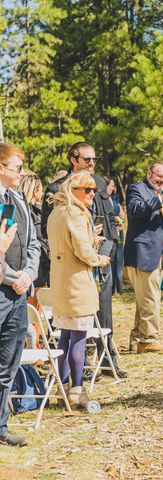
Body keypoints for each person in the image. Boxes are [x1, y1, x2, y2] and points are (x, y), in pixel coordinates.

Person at [42, 142, 125, 377]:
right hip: (72, 261)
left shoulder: (98, 183)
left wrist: (105, 248)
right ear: (73, 159)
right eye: (87, 159)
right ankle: (82, 367)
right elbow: (49, 229)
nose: (91, 164)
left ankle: (107, 359)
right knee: (73, 320)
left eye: (94, 160)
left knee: (104, 308)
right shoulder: (58, 187)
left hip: (101, 253)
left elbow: (109, 220)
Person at [48, 171, 111, 410]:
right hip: (76, 283)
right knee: (78, 337)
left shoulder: (57, 211)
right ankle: (76, 389)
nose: (92, 194)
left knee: (65, 335)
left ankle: (62, 389)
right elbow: (82, 251)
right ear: (73, 190)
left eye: (94, 189)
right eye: (87, 189)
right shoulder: (74, 213)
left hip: (61, 281)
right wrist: (99, 259)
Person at [0, 144, 40, 447]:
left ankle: (1, 426)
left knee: (8, 363)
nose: (22, 173)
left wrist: (28, 274)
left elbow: (33, 243)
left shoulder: (17, 199)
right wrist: (13, 277)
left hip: (18, 293)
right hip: (4, 287)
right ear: (0, 166)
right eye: (17, 167)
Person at [124, 162, 163, 354]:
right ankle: (147, 339)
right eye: (160, 177)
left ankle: (136, 339)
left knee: (145, 298)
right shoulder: (137, 188)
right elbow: (135, 210)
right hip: (143, 252)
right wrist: (159, 198)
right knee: (151, 298)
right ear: (149, 173)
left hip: (159, 252)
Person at [19, 173, 49, 288]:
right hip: (37, 268)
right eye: (41, 190)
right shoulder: (34, 213)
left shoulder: (20, 210)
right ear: (35, 191)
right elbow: (42, 241)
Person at [104, 176, 125, 295]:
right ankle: (111, 288)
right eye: (111, 185)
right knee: (111, 260)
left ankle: (119, 286)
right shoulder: (103, 201)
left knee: (119, 259)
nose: (113, 187)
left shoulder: (114, 200)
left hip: (119, 233)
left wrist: (121, 223)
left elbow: (122, 214)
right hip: (109, 234)